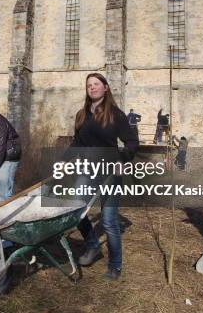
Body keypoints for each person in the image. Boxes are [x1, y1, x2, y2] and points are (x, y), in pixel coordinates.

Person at [71, 73, 138, 281]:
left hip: (110, 171)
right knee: (77, 212)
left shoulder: (115, 114)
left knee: (108, 221)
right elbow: (77, 144)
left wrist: (122, 159)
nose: (92, 88)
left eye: (96, 84)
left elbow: (131, 142)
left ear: (106, 88)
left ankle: (115, 265)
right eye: (89, 85)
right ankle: (92, 245)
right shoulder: (82, 115)